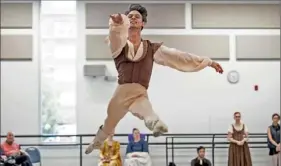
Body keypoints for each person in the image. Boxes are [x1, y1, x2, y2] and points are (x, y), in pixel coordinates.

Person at [85, 4, 224, 154]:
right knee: (110, 122)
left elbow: (179, 57)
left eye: (137, 17)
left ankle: (156, 124)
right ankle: (96, 142)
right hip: (121, 93)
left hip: (139, 93)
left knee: (147, 111)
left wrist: (208, 62)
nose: (133, 18)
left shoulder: (151, 49)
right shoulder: (119, 45)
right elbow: (115, 36)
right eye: (130, 16)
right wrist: (117, 23)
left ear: (143, 23)